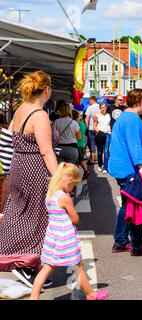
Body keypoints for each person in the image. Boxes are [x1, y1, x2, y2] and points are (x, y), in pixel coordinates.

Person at [0, 71, 59, 288]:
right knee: (37, 218)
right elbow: (47, 152)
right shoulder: (39, 115)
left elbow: (7, 140)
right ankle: (22, 263)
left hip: (18, 167)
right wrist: (59, 179)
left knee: (18, 212)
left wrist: (7, 170)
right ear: (47, 89)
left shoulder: (20, 110)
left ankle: (26, 264)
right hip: (34, 170)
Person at [30, 162, 109, 300]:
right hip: (65, 237)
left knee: (47, 268)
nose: (73, 187)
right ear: (68, 180)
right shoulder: (64, 198)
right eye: (73, 184)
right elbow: (75, 219)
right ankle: (91, 294)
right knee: (79, 266)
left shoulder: (50, 194)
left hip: (53, 235)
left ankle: (33, 297)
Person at [109, 88, 142, 256]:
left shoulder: (125, 116)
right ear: (137, 102)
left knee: (127, 205)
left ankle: (121, 240)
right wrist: (141, 167)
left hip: (124, 168)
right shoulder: (132, 118)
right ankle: (138, 244)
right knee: (136, 206)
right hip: (131, 170)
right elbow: (134, 144)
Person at [93, 102, 112, 174]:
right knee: (100, 151)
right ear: (100, 109)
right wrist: (99, 132)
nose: (103, 109)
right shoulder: (97, 115)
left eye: (104, 107)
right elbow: (94, 126)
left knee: (106, 151)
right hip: (100, 134)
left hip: (108, 133)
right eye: (102, 108)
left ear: (106, 107)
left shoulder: (109, 115)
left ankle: (105, 168)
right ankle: (100, 165)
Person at [72, 110, 89, 180]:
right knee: (81, 159)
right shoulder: (82, 124)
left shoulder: (73, 123)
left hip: (75, 144)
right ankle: (86, 170)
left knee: (76, 161)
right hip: (82, 144)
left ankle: (76, 175)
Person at [84, 96, 100, 165]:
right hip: (99, 128)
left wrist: (86, 127)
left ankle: (92, 159)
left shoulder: (90, 107)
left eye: (89, 100)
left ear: (92, 100)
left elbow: (86, 119)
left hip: (91, 128)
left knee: (92, 143)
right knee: (99, 144)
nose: (89, 102)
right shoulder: (100, 107)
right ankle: (100, 160)